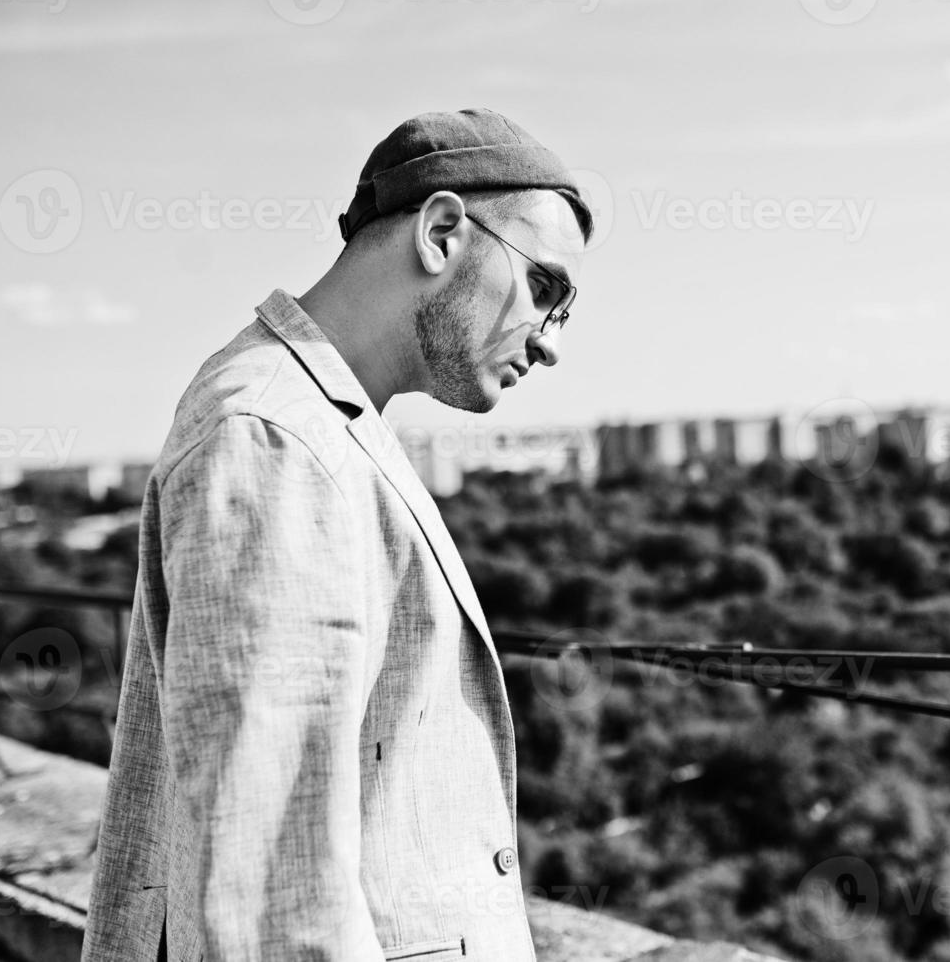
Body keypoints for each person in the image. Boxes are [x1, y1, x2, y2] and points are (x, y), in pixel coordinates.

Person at [81, 108, 593, 962]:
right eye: (547, 288)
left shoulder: (317, 423)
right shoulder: (277, 438)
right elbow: (274, 881)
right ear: (440, 233)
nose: (548, 344)